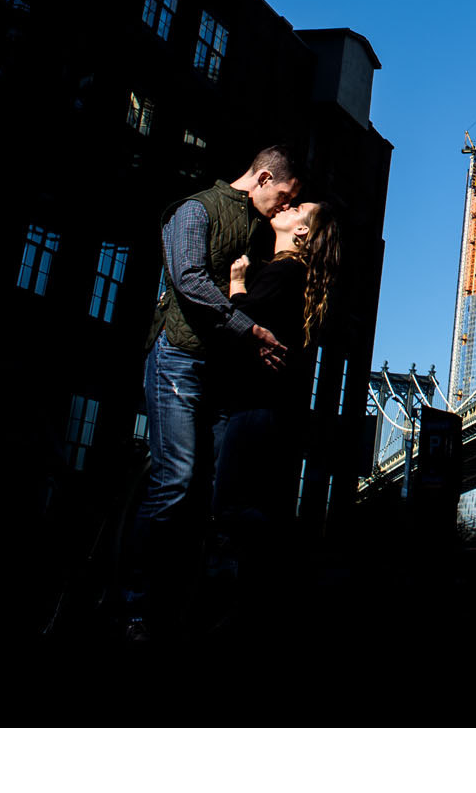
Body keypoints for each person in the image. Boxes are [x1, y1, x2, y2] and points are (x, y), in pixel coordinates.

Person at [125, 145, 303, 640]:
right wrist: (248, 330)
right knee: (176, 479)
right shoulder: (195, 209)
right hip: (178, 357)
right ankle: (131, 604)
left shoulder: (255, 227)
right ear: (264, 177)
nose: (284, 207)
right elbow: (188, 280)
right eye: (284, 196)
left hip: (217, 372)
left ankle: (176, 603)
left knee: (205, 492)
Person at [206, 198, 343, 634]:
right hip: (271, 414)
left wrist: (236, 283)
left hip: (253, 408)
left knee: (227, 508)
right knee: (243, 507)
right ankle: (263, 594)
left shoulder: (283, 272)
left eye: (298, 208)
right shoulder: (298, 277)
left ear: (302, 233)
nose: (286, 207)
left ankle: (282, 574)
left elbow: (242, 324)